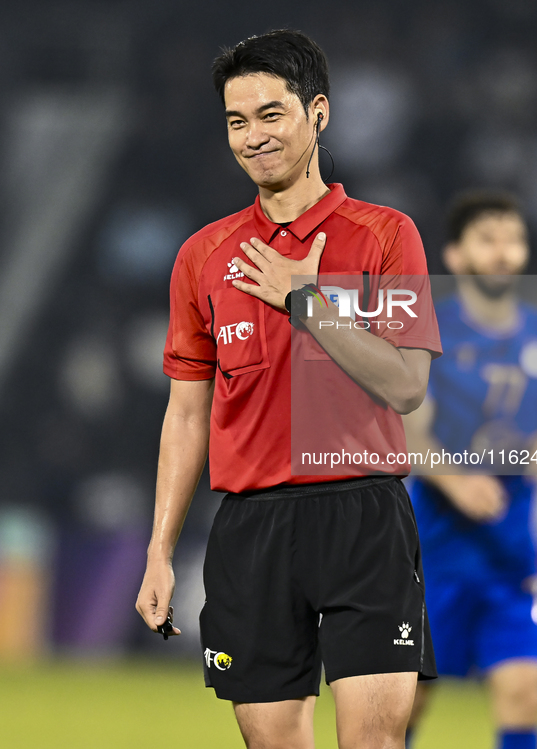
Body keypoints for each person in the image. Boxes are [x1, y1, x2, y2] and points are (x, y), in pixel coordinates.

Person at [135, 29, 442, 749]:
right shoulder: (204, 256)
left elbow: (406, 386)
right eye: (237, 122)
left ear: (319, 113)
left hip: (361, 514)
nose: (252, 137)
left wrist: (308, 304)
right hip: (251, 527)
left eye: (271, 115)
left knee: (372, 742)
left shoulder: (383, 236)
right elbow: (186, 414)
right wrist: (157, 549)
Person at [403, 192, 537, 749]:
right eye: (489, 239)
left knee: (524, 693)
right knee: (407, 704)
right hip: (438, 550)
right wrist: (455, 479)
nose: (504, 252)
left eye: (513, 239)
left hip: (510, 551)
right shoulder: (431, 333)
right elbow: (408, 429)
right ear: (456, 255)